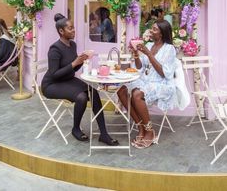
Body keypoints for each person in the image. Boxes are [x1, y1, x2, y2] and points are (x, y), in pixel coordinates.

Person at [41, 13, 119, 145]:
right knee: (81, 97)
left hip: (67, 80)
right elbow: (54, 74)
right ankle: (75, 129)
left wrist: (82, 61)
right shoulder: (54, 49)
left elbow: (74, 69)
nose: (73, 30)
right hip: (52, 85)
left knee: (93, 92)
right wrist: (74, 63)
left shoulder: (73, 45)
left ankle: (104, 134)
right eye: (70, 28)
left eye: (73, 28)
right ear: (61, 31)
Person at [117, 20, 177, 149]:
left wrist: (148, 54)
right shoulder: (149, 45)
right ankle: (141, 128)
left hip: (162, 83)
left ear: (161, 34)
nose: (151, 31)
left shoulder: (169, 49)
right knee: (121, 90)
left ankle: (150, 131)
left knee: (136, 94)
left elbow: (163, 73)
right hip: (145, 80)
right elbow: (140, 67)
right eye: (151, 28)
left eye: (154, 29)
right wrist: (136, 55)